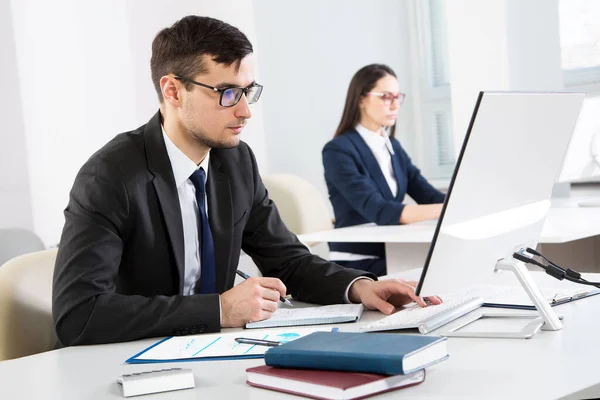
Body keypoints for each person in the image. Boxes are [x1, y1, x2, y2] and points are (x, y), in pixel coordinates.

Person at [52, 17, 441, 346]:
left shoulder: (235, 161)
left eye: (248, 91)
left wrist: (358, 287)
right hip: (131, 361)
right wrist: (220, 309)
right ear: (173, 90)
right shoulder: (110, 175)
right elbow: (79, 314)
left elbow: (287, 259)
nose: (244, 111)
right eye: (227, 93)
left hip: (215, 350)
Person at [322, 64, 445, 277]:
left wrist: (461, 202)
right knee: (438, 274)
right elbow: (380, 210)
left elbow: (428, 195)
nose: (395, 105)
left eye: (398, 97)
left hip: (395, 250)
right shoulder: (338, 150)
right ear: (361, 99)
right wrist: (447, 209)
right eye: (386, 97)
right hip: (359, 261)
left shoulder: (392, 146)